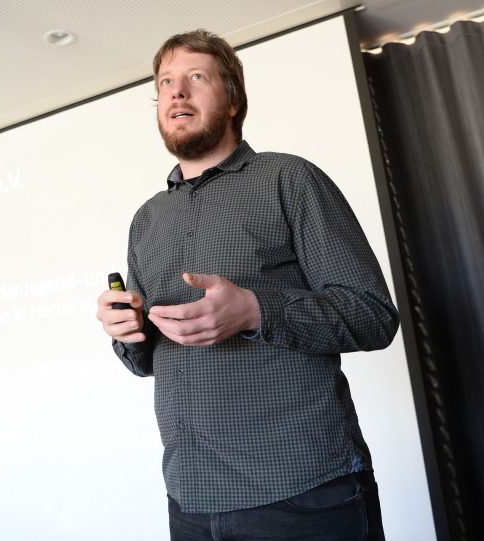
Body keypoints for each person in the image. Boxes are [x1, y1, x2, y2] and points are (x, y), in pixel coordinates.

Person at [96, 29, 398, 540]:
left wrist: (256, 311)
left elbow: (373, 315)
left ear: (233, 99)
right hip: (189, 498)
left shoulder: (290, 179)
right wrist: (126, 329)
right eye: (165, 82)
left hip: (302, 493)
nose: (176, 92)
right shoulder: (147, 219)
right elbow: (146, 362)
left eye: (195, 77)